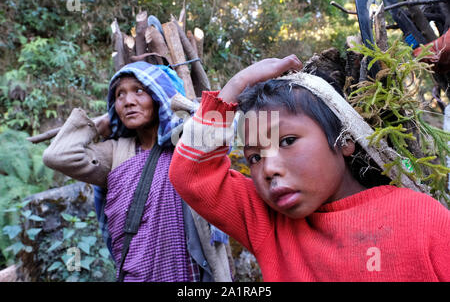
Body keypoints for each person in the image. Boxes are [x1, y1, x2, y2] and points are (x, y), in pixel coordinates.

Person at [168, 55, 450, 281]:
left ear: (344, 140)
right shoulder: (269, 224)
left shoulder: (424, 219)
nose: (268, 169)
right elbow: (191, 173)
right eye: (254, 157)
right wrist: (236, 86)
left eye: (287, 141)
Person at [43, 61, 233, 282]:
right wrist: (98, 125)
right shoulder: (115, 152)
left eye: (139, 91)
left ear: (158, 96)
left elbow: (223, 131)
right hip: (135, 274)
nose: (128, 101)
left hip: (193, 274)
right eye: (119, 95)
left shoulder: (186, 143)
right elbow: (56, 156)